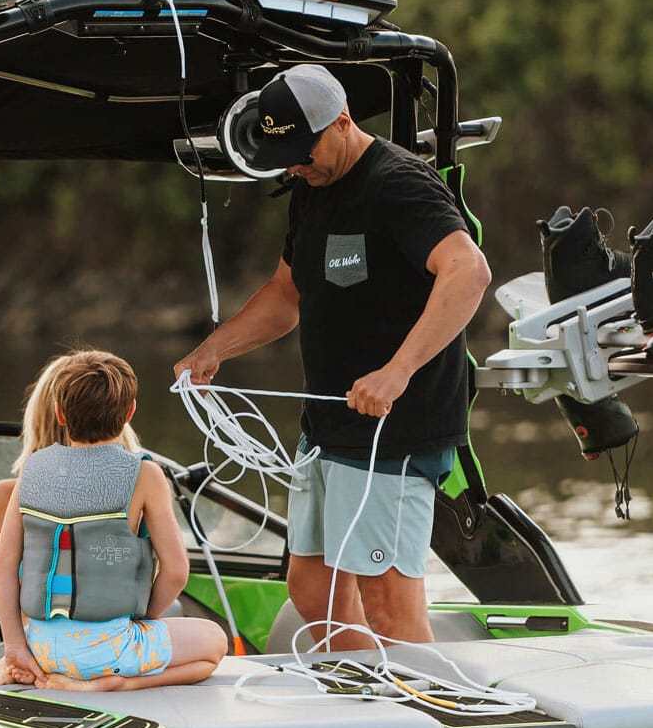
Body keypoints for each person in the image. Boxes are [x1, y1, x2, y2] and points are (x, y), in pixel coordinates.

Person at [175, 64, 491, 650]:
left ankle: (419, 722)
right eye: (284, 153)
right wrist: (212, 350)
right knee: (312, 589)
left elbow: (469, 271)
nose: (295, 164)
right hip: (326, 428)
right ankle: (358, 699)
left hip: (392, 431)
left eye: (302, 149)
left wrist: (397, 372)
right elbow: (285, 294)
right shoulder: (310, 187)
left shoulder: (399, 183)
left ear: (342, 122)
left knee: (390, 608)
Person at [0, 350, 227, 692]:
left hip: (39, 647)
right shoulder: (145, 474)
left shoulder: (32, 470)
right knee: (214, 642)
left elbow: (2, 565)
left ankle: (64, 668)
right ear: (129, 412)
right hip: (107, 649)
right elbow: (176, 571)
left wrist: (15, 648)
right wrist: (144, 621)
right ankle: (116, 684)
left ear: (60, 413)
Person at [0, 352, 140, 595]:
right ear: (125, 416)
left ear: (43, 419)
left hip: (39, 630)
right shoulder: (141, 484)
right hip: (124, 622)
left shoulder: (8, 496)